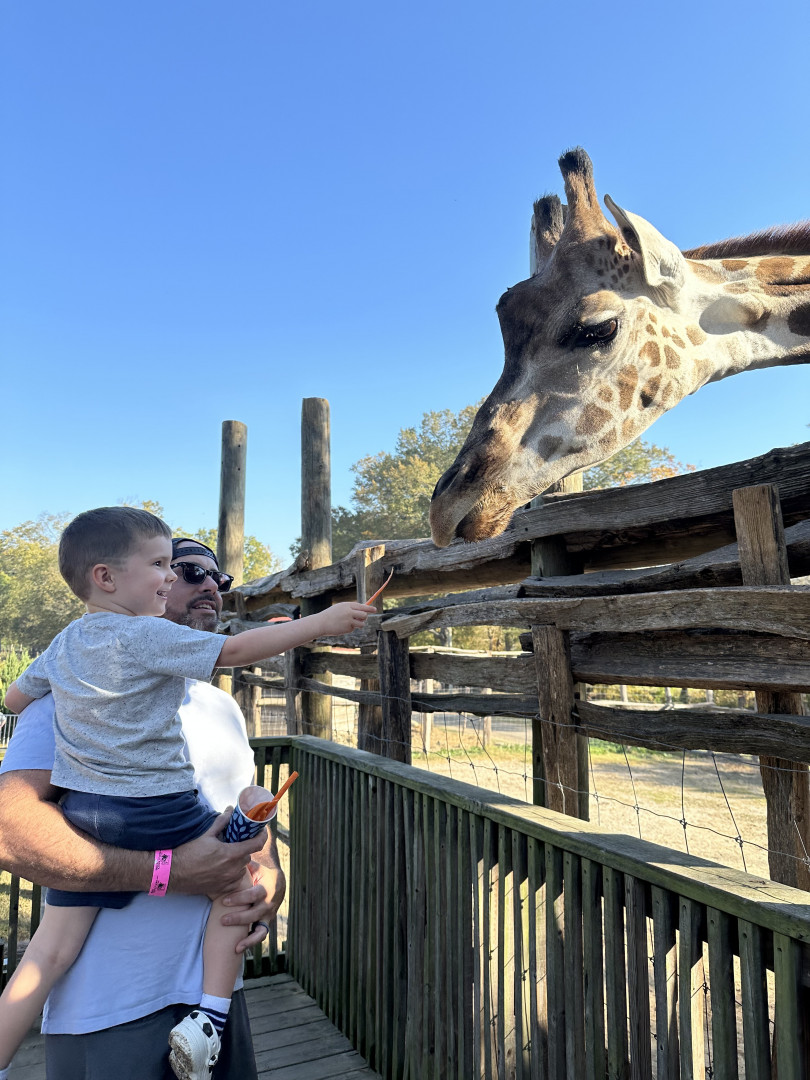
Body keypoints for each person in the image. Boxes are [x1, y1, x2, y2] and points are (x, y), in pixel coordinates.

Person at [0, 516, 372, 1080]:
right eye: (175, 568)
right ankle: (211, 1017)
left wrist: (268, 885)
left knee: (47, 949)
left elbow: (12, 697)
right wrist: (320, 623)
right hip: (112, 1010)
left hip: (203, 976)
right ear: (107, 577)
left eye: (216, 578)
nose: (196, 583)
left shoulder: (205, 702)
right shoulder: (86, 683)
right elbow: (9, 828)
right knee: (225, 878)